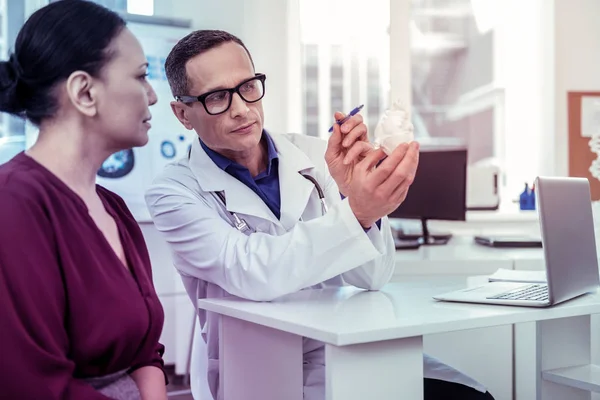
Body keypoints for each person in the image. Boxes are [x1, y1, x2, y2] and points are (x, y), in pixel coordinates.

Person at [145, 30, 494, 400]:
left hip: (347, 348)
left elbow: (371, 277)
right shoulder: (173, 192)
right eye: (217, 97)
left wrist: (354, 199)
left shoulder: (314, 155)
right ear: (183, 114)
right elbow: (250, 271)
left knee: (473, 397)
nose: (241, 108)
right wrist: (355, 211)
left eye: (248, 87)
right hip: (259, 370)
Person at [0, 1, 166, 399]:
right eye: (141, 76)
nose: (153, 96)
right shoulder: (14, 206)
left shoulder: (115, 209)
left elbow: (145, 352)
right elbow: (32, 387)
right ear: (84, 92)